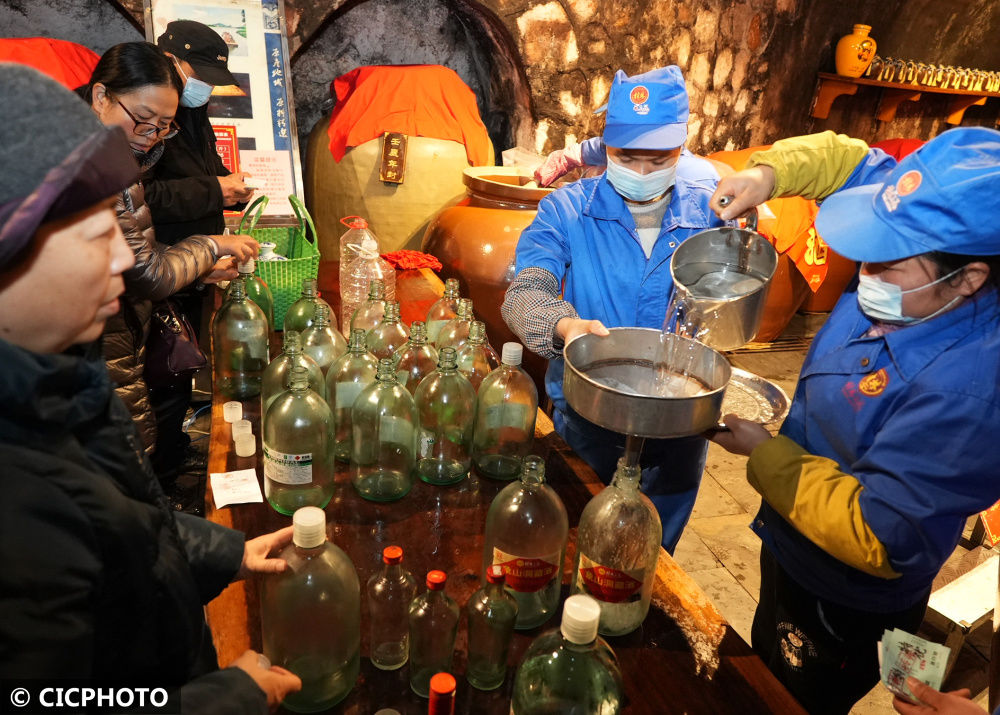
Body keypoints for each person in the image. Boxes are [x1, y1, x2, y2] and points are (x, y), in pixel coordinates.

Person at [0, 62, 299, 712]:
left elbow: (127, 529)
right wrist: (227, 696)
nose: (119, 258)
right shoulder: (16, 503)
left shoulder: (65, 383)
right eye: (92, 235)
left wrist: (228, 552)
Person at [708, 129, 1000, 714]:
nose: (867, 272)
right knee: (763, 647)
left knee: (790, 695)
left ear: (968, 279)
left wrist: (766, 453)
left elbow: (879, 534)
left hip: (842, 595)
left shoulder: (970, 395)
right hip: (792, 537)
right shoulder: (916, 221)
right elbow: (850, 159)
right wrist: (767, 174)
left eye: (890, 265)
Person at [502, 66, 726, 552]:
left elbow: (732, 301)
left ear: (681, 148)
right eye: (627, 156)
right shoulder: (566, 210)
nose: (642, 172)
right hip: (590, 417)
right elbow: (526, 291)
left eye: (659, 158)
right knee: (577, 538)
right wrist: (563, 325)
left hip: (679, 425)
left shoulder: (710, 214)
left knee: (650, 554)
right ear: (605, 146)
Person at [79, 42, 257, 465]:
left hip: (116, 331)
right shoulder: (91, 162)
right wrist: (210, 245)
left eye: (163, 126)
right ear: (101, 97)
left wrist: (197, 270)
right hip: (90, 341)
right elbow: (147, 273)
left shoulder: (117, 153)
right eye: (142, 120)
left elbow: (131, 247)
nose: (150, 135)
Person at [146, 20, 255, 484]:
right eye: (200, 72)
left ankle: (172, 455)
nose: (204, 86)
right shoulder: (148, 119)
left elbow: (208, 165)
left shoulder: (192, 109)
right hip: (160, 259)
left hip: (195, 265)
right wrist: (214, 190)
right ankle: (155, 472)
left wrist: (231, 184)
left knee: (179, 366)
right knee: (155, 371)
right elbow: (150, 198)